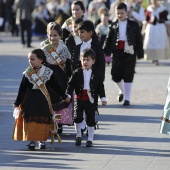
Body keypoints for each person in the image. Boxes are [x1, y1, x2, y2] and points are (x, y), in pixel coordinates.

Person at [12, 49, 70, 150]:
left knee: (43, 119)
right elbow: (22, 88)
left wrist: (64, 96)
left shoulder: (48, 72)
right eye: (29, 59)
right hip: (29, 100)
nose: (30, 61)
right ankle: (32, 140)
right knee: (30, 120)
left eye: (32, 59)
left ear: (41, 60)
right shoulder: (28, 73)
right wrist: (17, 102)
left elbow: (55, 86)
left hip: (43, 99)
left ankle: (42, 140)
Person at [103, 2, 144, 106]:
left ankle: (127, 98)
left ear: (127, 12)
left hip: (130, 51)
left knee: (128, 74)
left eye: (122, 13)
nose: (120, 15)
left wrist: (140, 53)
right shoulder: (113, 25)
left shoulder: (133, 24)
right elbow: (108, 40)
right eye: (118, 13)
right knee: (115, 75)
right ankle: (122, 91)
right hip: (117, 51)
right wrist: (105, 51)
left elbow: (139, 40)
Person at [66, 49, 107, 147]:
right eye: (83, 59)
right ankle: (78, 135)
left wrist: (103, 98)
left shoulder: (96, 73)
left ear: (93, 61)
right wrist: (68, 94)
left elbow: (100, 86)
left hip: (91, 99)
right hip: (79, 98)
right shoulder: (77, 72)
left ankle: (90, 139)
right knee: (77, 118)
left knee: (91, 119)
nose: (85, 62)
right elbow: (70, 85)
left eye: (88, 60)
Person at [40, 21, 72, 134]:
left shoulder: (64, 48)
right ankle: (49, 123)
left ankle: (59, 123)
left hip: (60, 76)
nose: (52, 38)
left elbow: (68, 65)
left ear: (60, 36)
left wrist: (69, 79)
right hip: (48, 76)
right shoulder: (44, 48)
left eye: (55, 35)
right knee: (48, 99)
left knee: (60, 99)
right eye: (50, 35)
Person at [142, 0, 170, 66]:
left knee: (159, 43)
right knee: (150, 42)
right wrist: (143, 29)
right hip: (151, 28)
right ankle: (152, 57)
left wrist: (168, 30)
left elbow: (166, 21)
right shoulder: (149, 9)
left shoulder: (163, 9)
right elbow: (146, 20)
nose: (154, 2)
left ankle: (157, 57)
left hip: (160, 28)